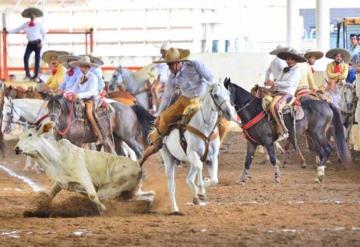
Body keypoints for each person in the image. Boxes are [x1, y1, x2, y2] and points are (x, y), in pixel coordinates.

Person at [140, 47, 229, 165]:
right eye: (167, 65)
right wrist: (159, 112)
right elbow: (167, 96)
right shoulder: (172, 77)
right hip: (184, 100)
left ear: (178, 62)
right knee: (165, 117)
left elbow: (210, 79)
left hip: (203, 99)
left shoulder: (195, 65)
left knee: (224, 123)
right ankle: (157, 142)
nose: (169, 67)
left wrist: (215, 93)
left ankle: (215, 149)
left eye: (170, 65)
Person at [265, 49, 305, 141]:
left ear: (295, 60)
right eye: (287, 59)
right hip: (278, 92)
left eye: (291, 59)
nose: (288, 61)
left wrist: (274, 84)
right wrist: (270, 83)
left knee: (273, 106)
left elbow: (289, 83)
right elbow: (278, 80)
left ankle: (284, 131)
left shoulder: (297, 72)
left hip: (287, 94)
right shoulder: (284, 70)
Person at [68, 56, 104, 144]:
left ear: (89, 67)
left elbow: (92, 91)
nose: (82, 68)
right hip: (80, 99)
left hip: (91, 99)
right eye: (81, 66)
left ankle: (98, 135)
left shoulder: (93, 77)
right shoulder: (80, 76)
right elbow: (74, 87)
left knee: (88, 112)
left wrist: (78, 95)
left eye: (84, 66)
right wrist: (68, 92)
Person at [5, 7, 46, 81]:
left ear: (35, 16)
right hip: (30, 43)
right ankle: (28, 74)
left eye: (33, 15)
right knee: (25, 58)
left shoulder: (39, 24)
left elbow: (44, 34)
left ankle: (36, 76)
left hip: (37, 43)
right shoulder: (26, 24)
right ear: (29, 17)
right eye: (31, 15)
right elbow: (18, 29)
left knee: (37, 60)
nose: (32, 16)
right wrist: (8, 31)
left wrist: (42, 43)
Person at [151, 42, 170, 113]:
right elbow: (156, 64)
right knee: (152, 89)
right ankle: (155, 108)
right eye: (161, 51)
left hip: (164, 79)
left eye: (162, 51)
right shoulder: (161, 59)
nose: (161, 52)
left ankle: (158, 107)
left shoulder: (166, 59)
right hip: (159, 78)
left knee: (154, 89)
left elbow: (158, 64)